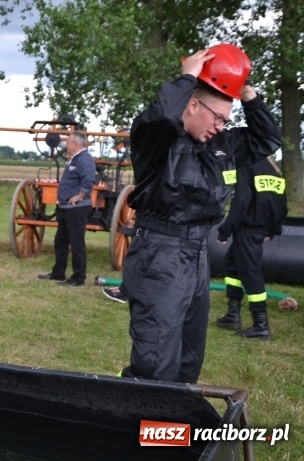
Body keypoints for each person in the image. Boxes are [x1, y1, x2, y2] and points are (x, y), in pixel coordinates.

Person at [119, 44, 281, 384]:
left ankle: (173, 432)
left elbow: (268, 138)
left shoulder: (222, 146)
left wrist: (244, 89)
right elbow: (161, 115)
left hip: (197, 255)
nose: (222, 126)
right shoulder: (158, 142)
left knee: (189, 359)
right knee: (155, 363)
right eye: (217, 117)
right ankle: (141, 430)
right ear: (192, 104)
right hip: (159, 256)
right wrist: (188, 76)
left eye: (227, 119)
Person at [215, 157, 287, 339]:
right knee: (231, 266)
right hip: (259, 228)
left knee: (250, 273)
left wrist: (225, 229)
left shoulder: (246, 164)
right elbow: (281, 203)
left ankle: (261, 325)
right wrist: (273, 228)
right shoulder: (273, 169)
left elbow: (241, 201)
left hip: (247, 228)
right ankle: (233, 314)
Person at [37, 132, 96, 286]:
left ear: (75, 144)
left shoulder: (85, 159)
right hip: (65, 207)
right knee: (60, 241)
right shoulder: (75, 158)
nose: (66, 144)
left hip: (77, 208)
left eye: (68, 142)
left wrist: (79, 196)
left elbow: (89, 179)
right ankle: (58, 273)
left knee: (77, 243)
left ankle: (78, 278)